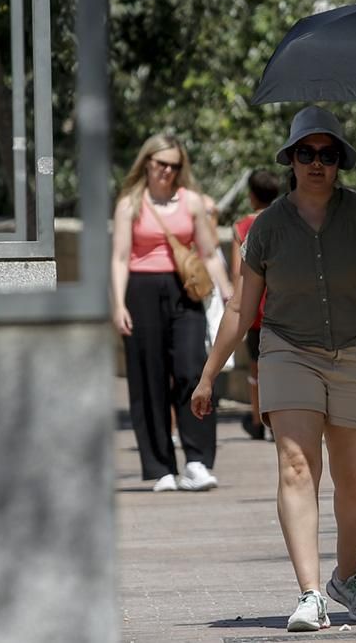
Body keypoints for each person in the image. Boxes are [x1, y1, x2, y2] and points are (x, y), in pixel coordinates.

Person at [191, 106, 356, 632]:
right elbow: (239, 308)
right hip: (289, 351)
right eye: (306, 153)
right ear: (291, 160)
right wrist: (208, 374)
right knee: (298, 467)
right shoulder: (267, 227)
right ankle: (309, 593)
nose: (317, 163)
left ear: (340, 161)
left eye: (328, 154)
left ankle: (346, 578)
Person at [111, 131, 233, 493]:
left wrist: (228, 291)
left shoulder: (191, 202)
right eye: (161, 164)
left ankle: (197, 461)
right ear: (147, 162)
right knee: (148, 377)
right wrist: (118, 304)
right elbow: (119, 257)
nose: (167, 171)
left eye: (174, 166)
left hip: (184, 290)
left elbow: (209, 253)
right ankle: (159, 465)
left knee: (192, 369)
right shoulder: (129, 204)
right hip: (141, 289)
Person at [230, 168, 281, 441]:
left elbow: (236, 273)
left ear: (251, 196)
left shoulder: (241, 227)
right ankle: (279, 423)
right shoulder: (285, 220)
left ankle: (257, 418)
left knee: (256, 368)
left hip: (256, 310)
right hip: (281, 303)